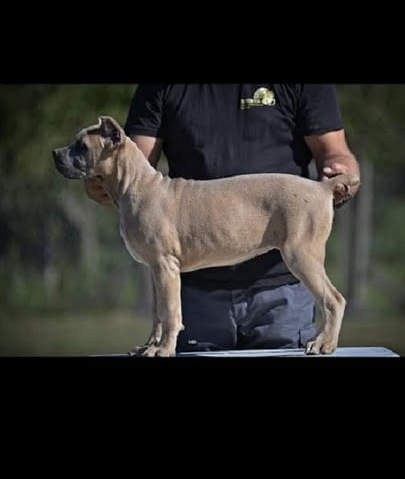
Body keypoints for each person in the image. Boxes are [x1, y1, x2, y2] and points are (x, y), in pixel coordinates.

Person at [85, 84, 360, 353]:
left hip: (281, 292)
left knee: (302, 258)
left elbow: (334, 150)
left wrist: (340, 168)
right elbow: (131, 169)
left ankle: (331, 323)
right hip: (196, 296)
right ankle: (162, 335)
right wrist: (104, 176)